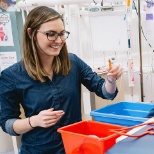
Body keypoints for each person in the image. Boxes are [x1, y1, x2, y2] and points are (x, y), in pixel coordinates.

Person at [0, 6, 123, 154]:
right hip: (38, 150)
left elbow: (106, 93)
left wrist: (111, 80)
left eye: (62, 34)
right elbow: (7, 124)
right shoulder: (11, 75)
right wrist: (34, 121)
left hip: (75, 147)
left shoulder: (73, 63)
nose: (59, 40)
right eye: (51, 34)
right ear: (31, 33)